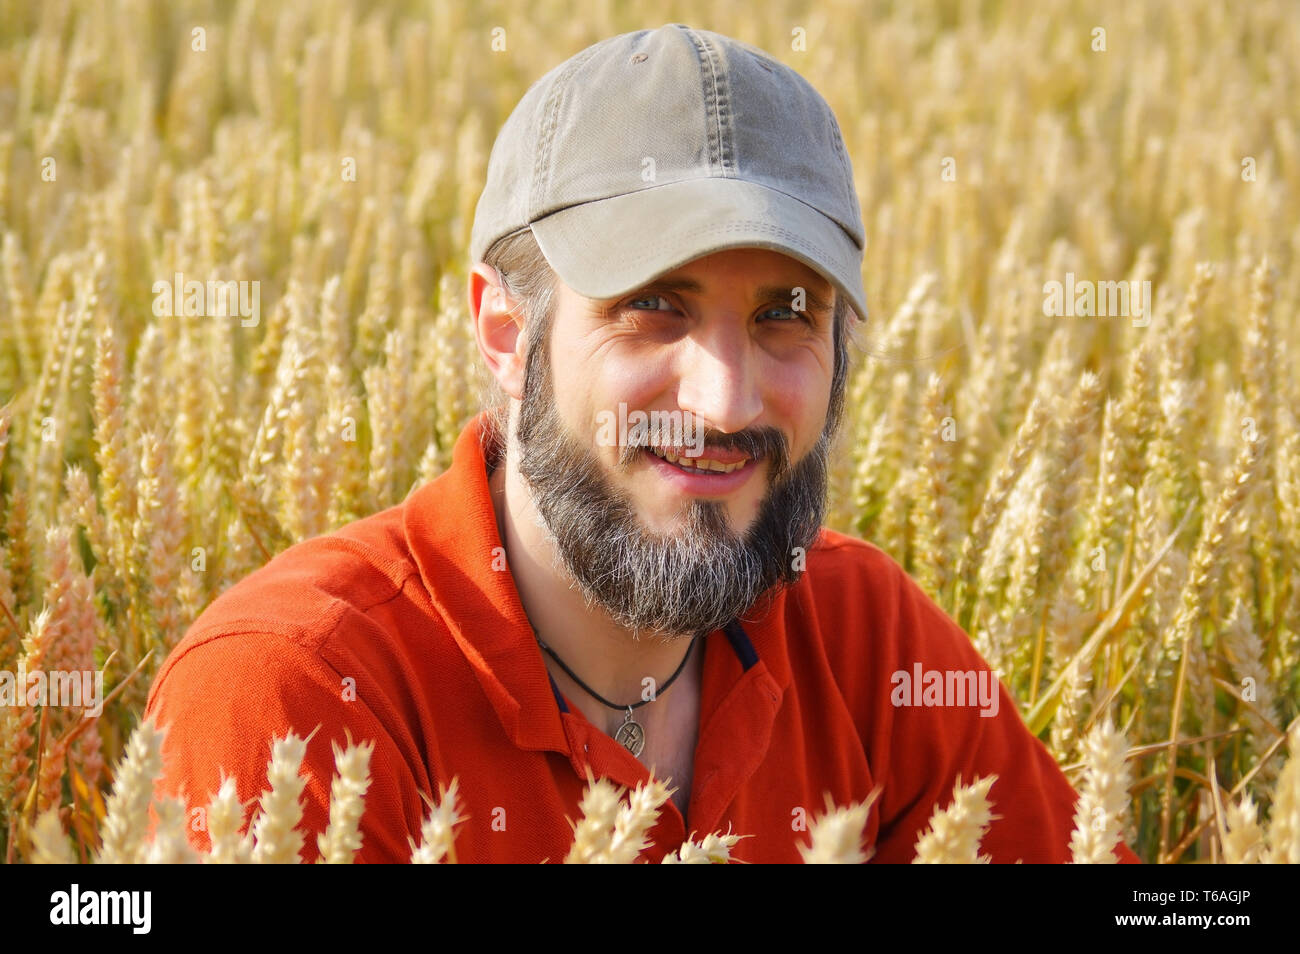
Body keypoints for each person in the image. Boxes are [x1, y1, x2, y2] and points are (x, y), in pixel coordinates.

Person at [146, 23, 1138, 863]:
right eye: (651, 307)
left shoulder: (863, 639)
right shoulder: (299, 697)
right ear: (506, 332)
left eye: (784, 313)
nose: (723, 400)